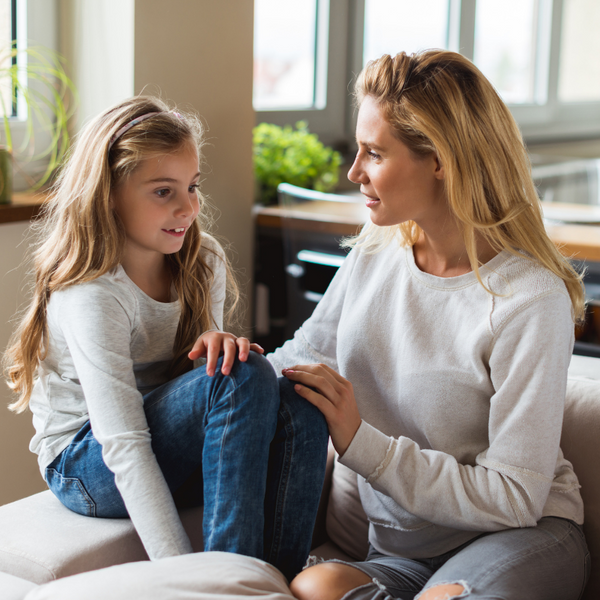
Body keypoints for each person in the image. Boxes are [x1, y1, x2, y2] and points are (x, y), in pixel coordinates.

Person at [267, 51, 590, 600]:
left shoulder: (530, 300)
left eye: (373, 153)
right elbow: (305, 357)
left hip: (519, 537)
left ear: (439, 159)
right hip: (399, 553)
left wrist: (360, 442)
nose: (354, 173)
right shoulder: (375, 250)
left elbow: (515, 497)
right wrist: (234, 364)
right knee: (313, 586)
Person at [4, 96, 328, 582]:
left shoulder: (204, 260)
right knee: (240, 375)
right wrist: (182, 577)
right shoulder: (93, 293)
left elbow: (212, 399)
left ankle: (274, 584)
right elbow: (124, 443)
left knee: (298, 402)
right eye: (163, 191)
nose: (188, 207)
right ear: (109, 194)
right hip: (87, 464)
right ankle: (222, 588)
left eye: (192, 186)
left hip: (166, 443)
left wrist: (220, 349)